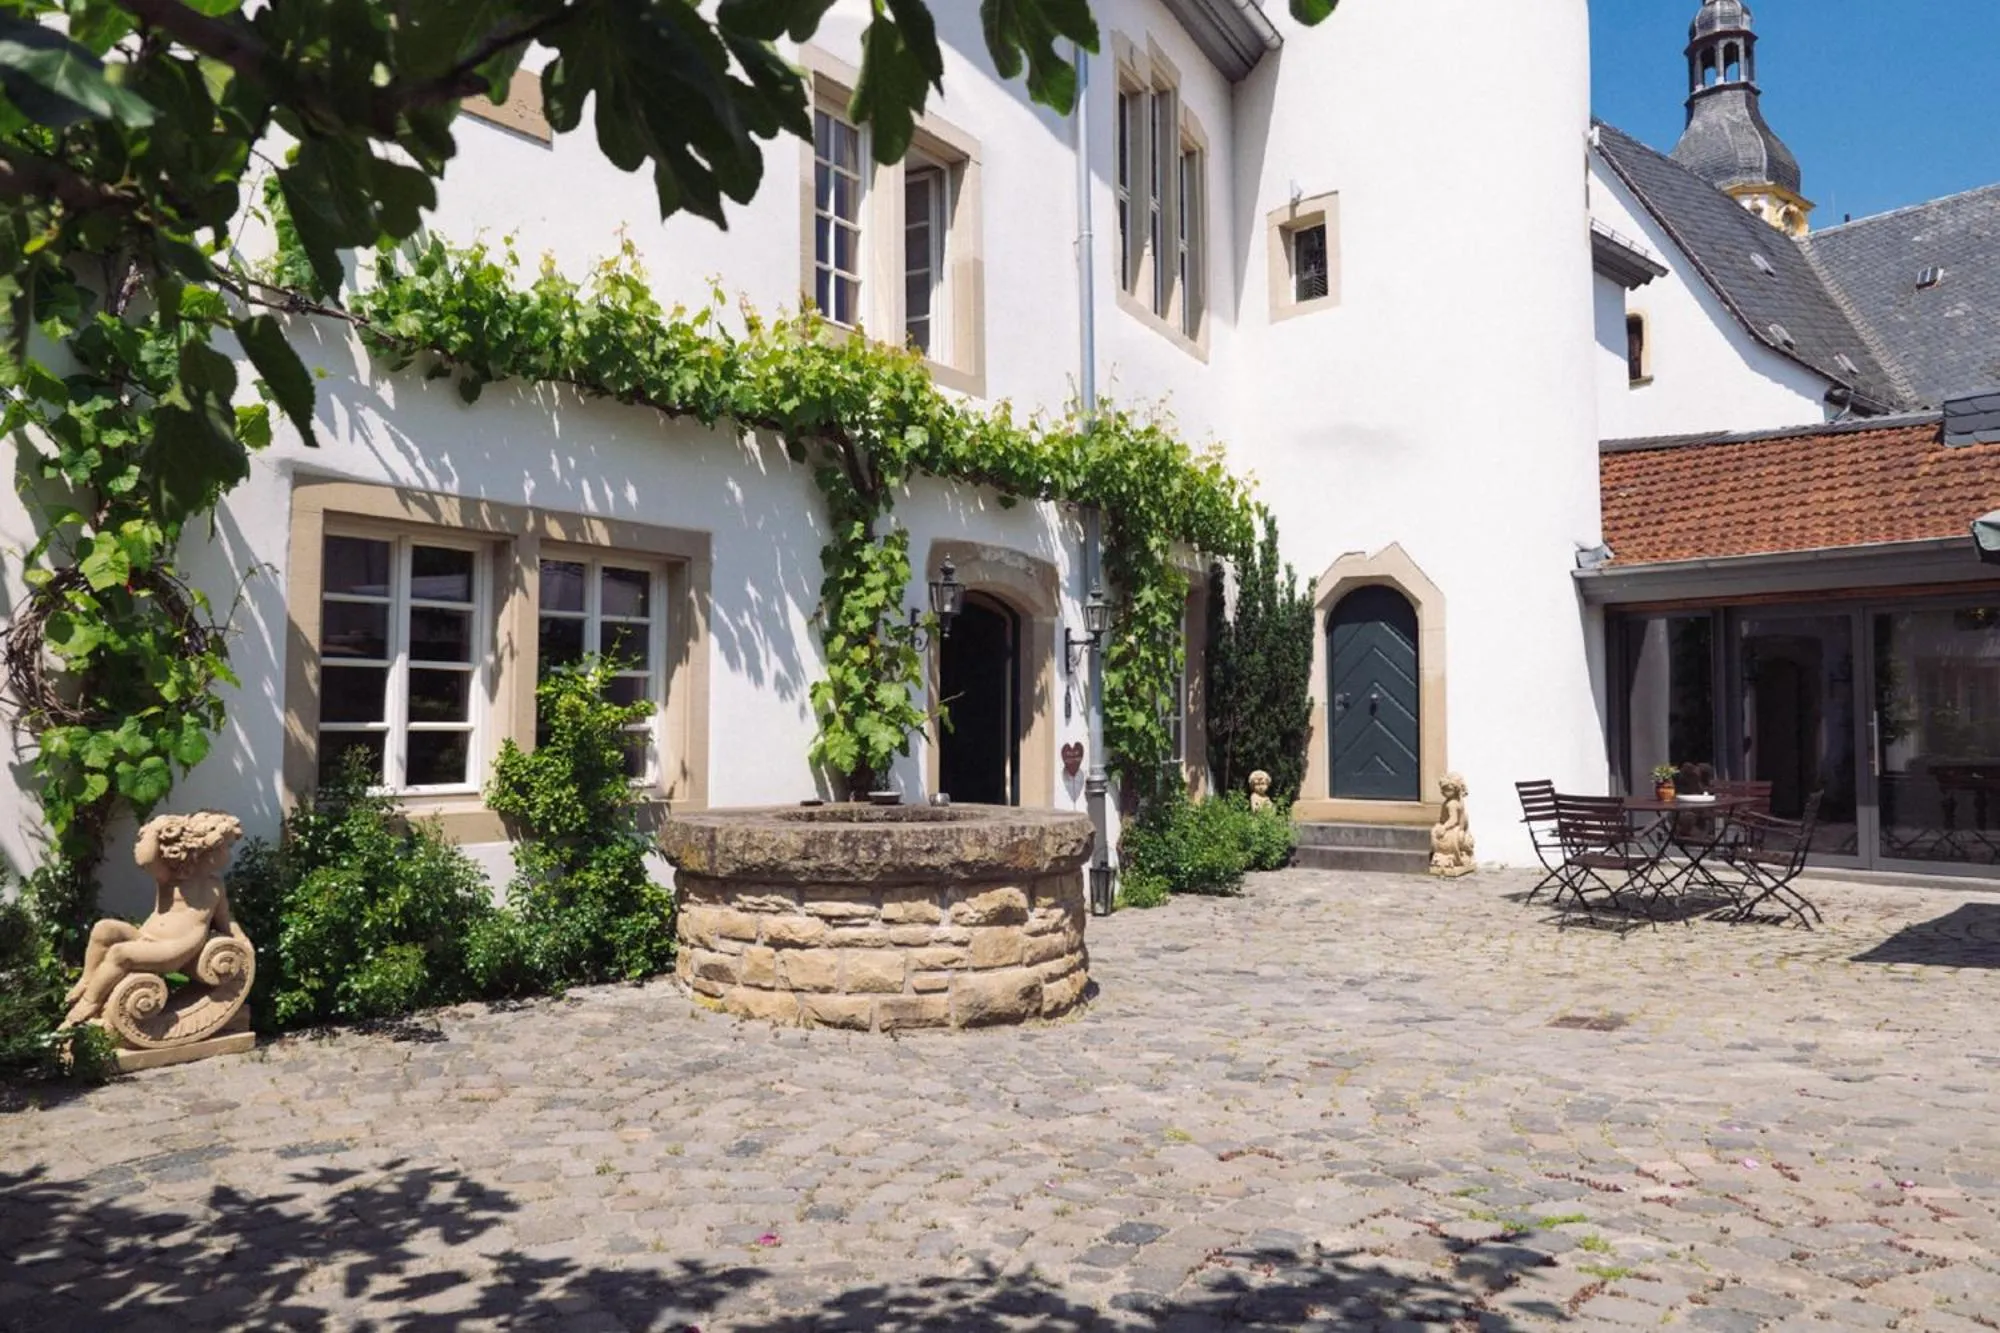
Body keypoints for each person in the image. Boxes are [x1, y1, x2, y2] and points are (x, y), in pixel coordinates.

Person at [62, 811, 243, 1029]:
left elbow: (226, 919)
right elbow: (145, 859)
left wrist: (242, 941)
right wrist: (156, 828)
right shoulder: (172, 877)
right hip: (148, 936)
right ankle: (87, 980)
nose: (229, 855)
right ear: (205, 851)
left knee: (120, 954)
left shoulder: (215, 886)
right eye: (226, 848)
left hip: (176, 949)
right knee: (104, 929)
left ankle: (89, 1003)